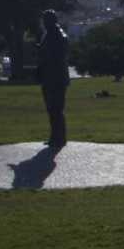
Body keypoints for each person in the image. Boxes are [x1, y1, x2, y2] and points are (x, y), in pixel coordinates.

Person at [36, 9, 70, 149]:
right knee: (52, 109)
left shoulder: (57, 35)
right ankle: (55, 136)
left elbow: (56, 55)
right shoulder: (50, 34)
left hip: (55, 77)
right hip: (50, 76)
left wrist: (42, 51)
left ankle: (59, 137)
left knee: (55, 108)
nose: (44, 23)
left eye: (46, 20)